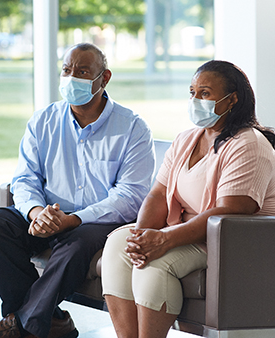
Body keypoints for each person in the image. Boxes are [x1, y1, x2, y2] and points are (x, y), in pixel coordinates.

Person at [0, 43, 155, 338]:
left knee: (77, 242)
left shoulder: (132, 128)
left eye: (82, 72)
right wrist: (36, 212)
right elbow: (25, 178)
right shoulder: (43, 120)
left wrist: (74, 219)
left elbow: (131, 196)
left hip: (95, 223)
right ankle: (52, 321)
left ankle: (23, 327)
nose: (71, 78)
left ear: (104, 78)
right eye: (66, 70)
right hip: (47, 215)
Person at [101, 60, 275, 338]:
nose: (196, 100)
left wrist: (164, 240)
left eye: (205, 93)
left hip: (233, 243)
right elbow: (158, 193)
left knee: (154, 263)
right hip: (191, 233)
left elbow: (231, 211)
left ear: (232, 99)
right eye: (192, 92)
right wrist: (142, 235)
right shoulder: (186, 139)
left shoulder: (248, 143)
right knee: (118, 244)